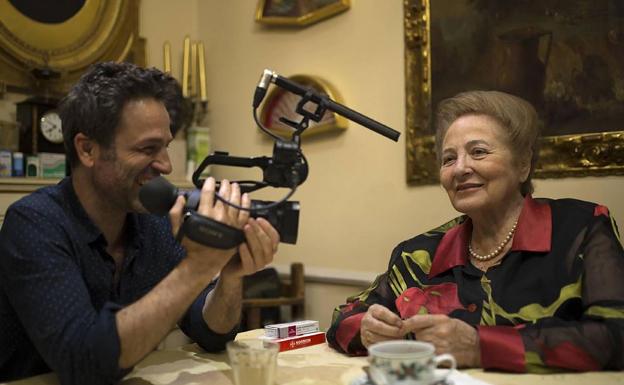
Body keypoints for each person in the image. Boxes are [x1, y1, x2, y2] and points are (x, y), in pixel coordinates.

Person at [0, 62, 280, 384]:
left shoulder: (152, 223)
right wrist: (198, 267)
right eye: (148, 149)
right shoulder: (35, 223)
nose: (165, 164)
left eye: (166, 146)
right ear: (87, 149)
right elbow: (83, 363)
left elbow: (211, 332)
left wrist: (229, 275)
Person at [326, 90, 624, 372]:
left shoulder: (581, 228)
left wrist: (479, 347)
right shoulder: (417, 254)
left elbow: (615, 335)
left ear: (523, 165)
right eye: (449, 158)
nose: (460, 168)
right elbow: (343, 318)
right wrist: (366, 329)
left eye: (478, 152)